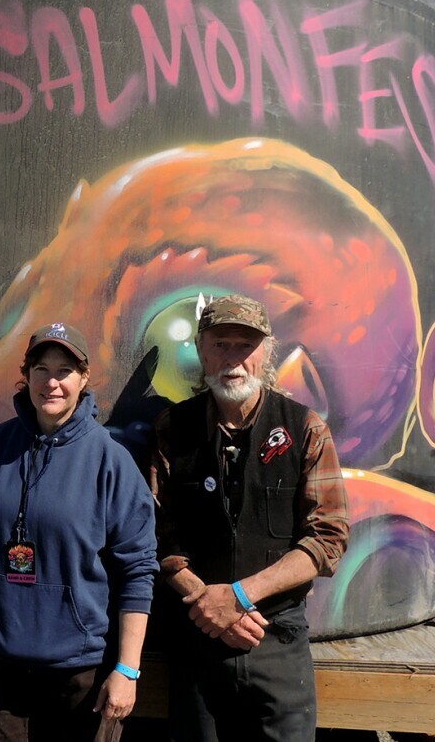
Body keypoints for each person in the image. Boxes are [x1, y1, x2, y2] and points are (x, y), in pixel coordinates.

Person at [0, 322, 158, 741]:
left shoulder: (111, 461)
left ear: (84, 378)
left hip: (80, 678)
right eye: (42, 369)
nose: (52, 382)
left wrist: (127, 670)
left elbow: (137, 571)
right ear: (27, 374)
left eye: (64, 371)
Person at [148, 294, 349, 742]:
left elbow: (328, 538)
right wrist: (208, 604)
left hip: (277, 638)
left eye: (246, 345)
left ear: (267, 351)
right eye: (221, 345)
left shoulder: (305, 428)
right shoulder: (171, 430)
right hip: (198, 641)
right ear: (201, 350)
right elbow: (154, 536)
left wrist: (239, 597)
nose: (233, 358)